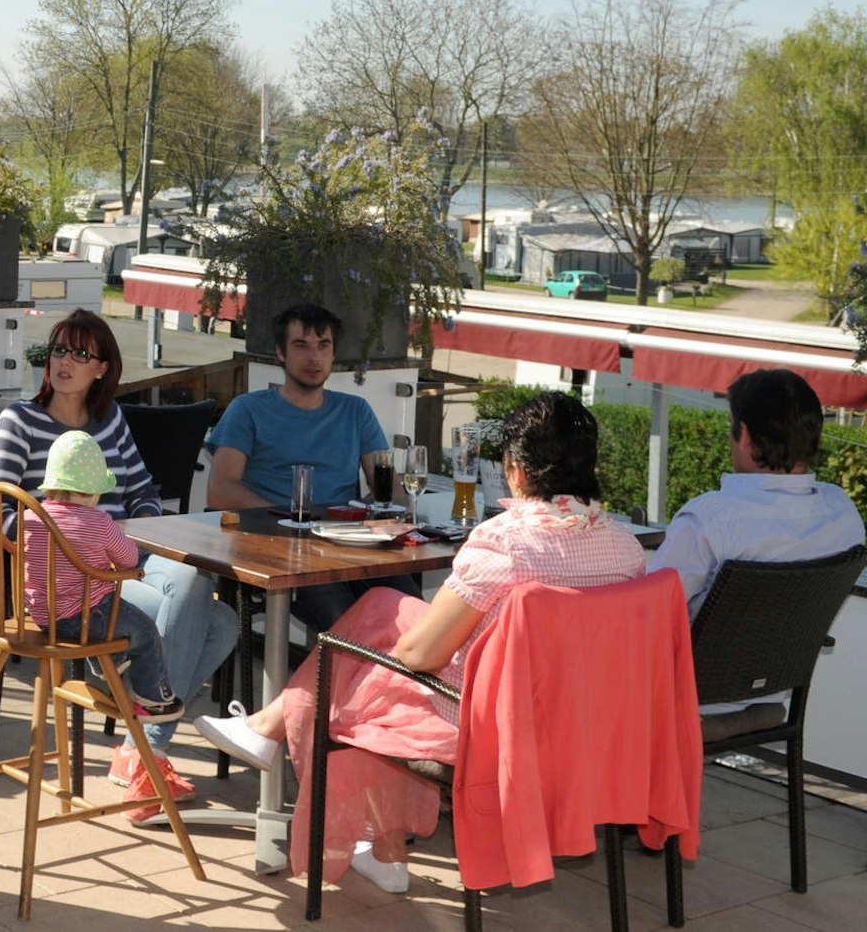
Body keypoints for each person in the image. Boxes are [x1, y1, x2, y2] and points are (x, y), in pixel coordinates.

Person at [195, 391, 645, 892]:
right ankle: (371, 839)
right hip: (580, 721)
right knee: (384, 613)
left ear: (515, 470)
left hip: (487, 720)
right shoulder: (625, 548)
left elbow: (421, 657)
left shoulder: (506, 543)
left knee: (364, 663)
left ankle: (277, 734)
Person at [0, 308, 237, 819]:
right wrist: (63, 541)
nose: (64, 362)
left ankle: (138, 741)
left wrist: (126, 534)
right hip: (70, 584)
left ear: (102, 368)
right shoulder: (21, 420)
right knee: (209, 610)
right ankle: (146, 747)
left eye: (80, 353)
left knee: (217, 613)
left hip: (125, 560)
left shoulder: (110, 420)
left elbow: (142, 491)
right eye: (57, 350)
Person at [648, 368, 865, 709]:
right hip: (773, 693)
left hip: (682, 701)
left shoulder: (710, 519)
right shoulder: (841, 514)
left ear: (744, 435)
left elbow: (647, 616)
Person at [205, 301, 414, 628]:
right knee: (345, 623)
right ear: (281, 353)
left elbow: (390, 489)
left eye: (323, 345)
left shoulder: (355, 410)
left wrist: (368, 516)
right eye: (301, 346)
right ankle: (351, 677)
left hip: (346, 542)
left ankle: (383, 678)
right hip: (276, 543)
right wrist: (293, 516)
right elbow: (220, 491)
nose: (314, 357)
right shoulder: (248, 410)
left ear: (334, 353)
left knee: (413, 613)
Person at [21, 430, 186, 749]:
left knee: (113, 616)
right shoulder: (99, 523)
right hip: (86, 615)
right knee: (145, 631)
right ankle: (155, 698)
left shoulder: (30, 517)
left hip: (42, 616)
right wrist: (129, 565)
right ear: (95, 491)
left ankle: (111, 657)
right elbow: (128, 558)